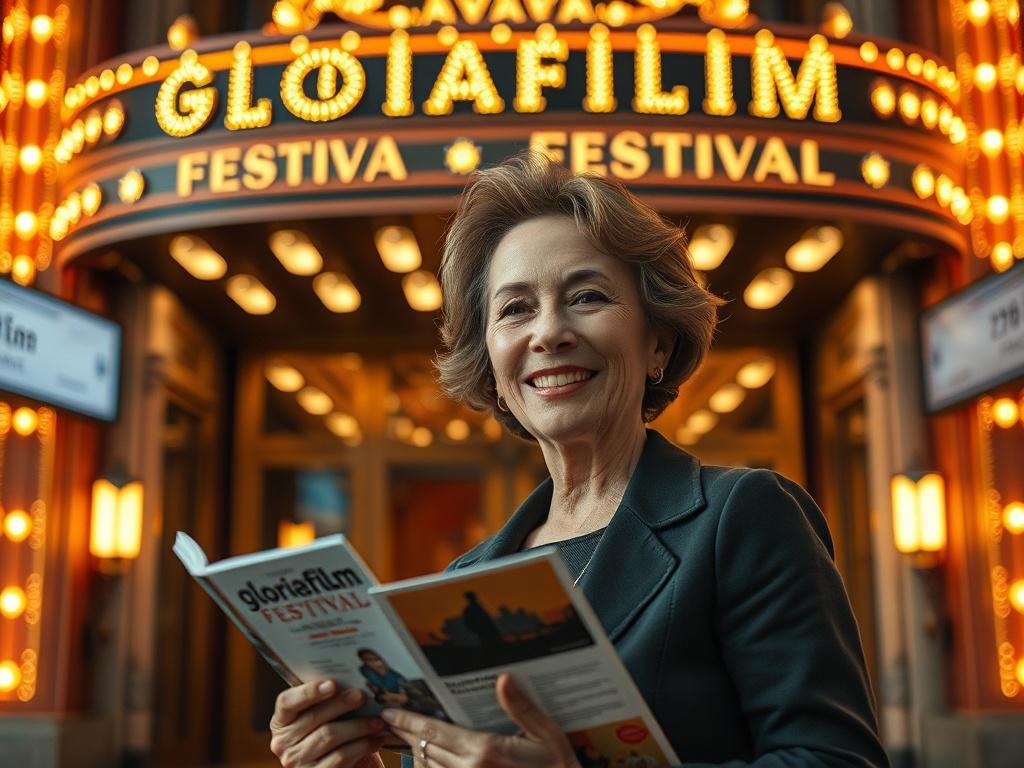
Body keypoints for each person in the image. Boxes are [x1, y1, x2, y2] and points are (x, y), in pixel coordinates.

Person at [268, 152, 890, 768]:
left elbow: (837, 760)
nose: (548, 333)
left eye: (586, 296)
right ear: (491, 361)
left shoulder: (745, 516)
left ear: (657, 344)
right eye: (515, 309)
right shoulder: (465, 579)